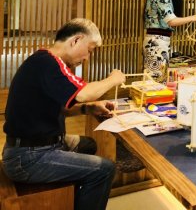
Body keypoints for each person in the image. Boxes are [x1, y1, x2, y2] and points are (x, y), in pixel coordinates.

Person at [2, 18, 126, 210]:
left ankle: (72, 199)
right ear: (76, 40)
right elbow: (84, 93)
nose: (87, 57)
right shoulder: (49, 64)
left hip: (32, 147)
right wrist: (113, 79)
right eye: (90, 50)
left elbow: (60, 108)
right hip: (28, 158)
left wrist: (88, 108)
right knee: (105, 169)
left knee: (87, 144)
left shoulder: (44, 60)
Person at [143, 0, 196, 82]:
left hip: (153, 40)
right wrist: (193, 17)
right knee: (157, 81)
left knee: (152, 79)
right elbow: (171, 21)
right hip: (157, 42)